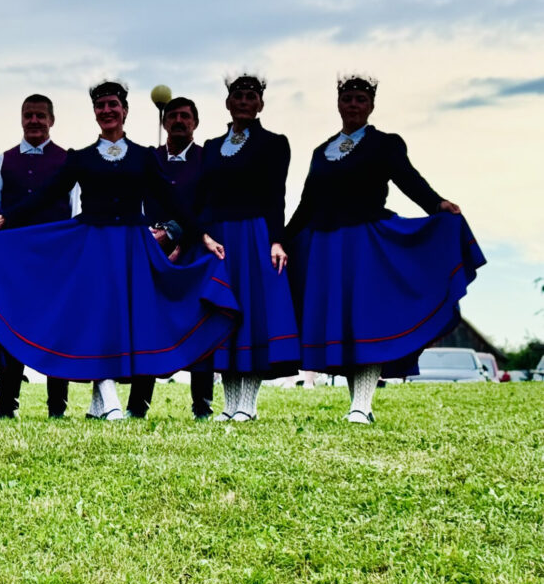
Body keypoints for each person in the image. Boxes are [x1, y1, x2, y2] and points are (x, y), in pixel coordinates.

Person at [0, 81, 239, 421]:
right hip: (93, 248)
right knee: (99, 318)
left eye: (113, 105)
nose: (107, 111)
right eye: (101, 106)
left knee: (130, 320)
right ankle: (108, 399)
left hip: (131, 249)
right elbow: (47, 194)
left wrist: (202, 237)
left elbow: (172, 200)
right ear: (95, 113)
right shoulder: (80, 157)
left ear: (124, 111)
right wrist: (2, 219)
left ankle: (107, 403)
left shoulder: (143, 156)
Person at [285, 75, 483, 423]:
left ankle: (361, 406)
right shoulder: (321, 151)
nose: (353, 104)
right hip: (325, 248)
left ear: (371, 106)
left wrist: (437, 204)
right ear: (338, 103)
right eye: (348, 98)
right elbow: (307, 203)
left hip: (365, 244)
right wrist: (282, 239)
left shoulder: (385, 144)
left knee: (365, 322)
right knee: (342, 325)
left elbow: (409, 179)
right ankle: (358, 405)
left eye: (361, 99)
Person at [196, 74, 300, 422]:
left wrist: (276, 239)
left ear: (260, 104)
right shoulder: (211, 147)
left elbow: (276, 195)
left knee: (253, 317)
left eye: (250, 96)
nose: (243, 101)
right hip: (220, 240)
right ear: (228, 102)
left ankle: (248, 405)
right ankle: (229, 405)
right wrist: (203, 235)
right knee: (224, 316)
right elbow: (203, 198)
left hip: (254, 236)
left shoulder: (274, 143)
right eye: (238, 96)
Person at [124, 97, 218, 419]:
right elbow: (133, 201)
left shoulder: (207, 159)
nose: (179, 121)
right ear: (164, 122)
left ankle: (202, 405)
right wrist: (149, 234)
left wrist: (179, 237)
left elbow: (207, 207)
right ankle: (138, 405)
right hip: (153, 253)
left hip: (194, 253)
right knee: (149, 324)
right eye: (173, 116)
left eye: (185, 116)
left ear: (196, 122)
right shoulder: (149, 159)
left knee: (199, 323)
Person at [0, 94, 77, 419]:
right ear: (21, 118)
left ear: (51, 120)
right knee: (12, 329)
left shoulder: (69, 160)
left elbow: (74, 212)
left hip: (55, 261)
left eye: (40, 115)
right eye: (29, 115)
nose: (34, 121)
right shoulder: (3, 160)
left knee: (57, 329)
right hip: (16, 263)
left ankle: (58, 407)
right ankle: (6, 405)